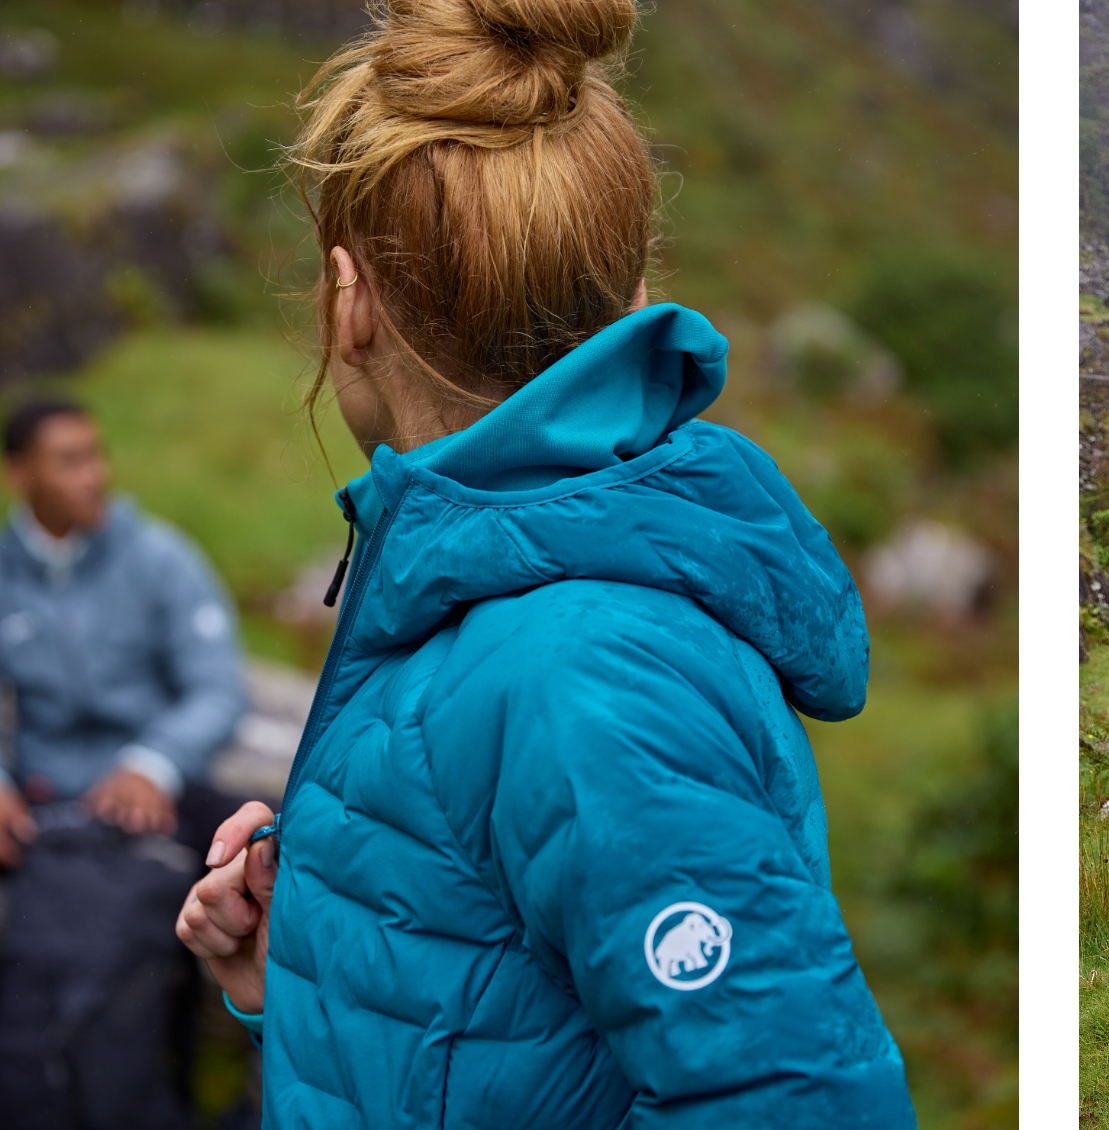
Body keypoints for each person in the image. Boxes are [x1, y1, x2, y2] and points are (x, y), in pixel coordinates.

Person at [171, 0, 917, 1124]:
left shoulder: (586, 670)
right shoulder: (490, 601)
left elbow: (795, 1100)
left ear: (349, 298)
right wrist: (319, 964)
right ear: (632, 299)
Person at [0, 396, 251, 1128]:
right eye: (70, 460)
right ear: (21, 474)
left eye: (97, 454)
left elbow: (217, 686)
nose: (96, 475)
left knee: (274, 865)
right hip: (43, 799)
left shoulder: (158, 557)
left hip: (161, 787)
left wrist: (154, 761)